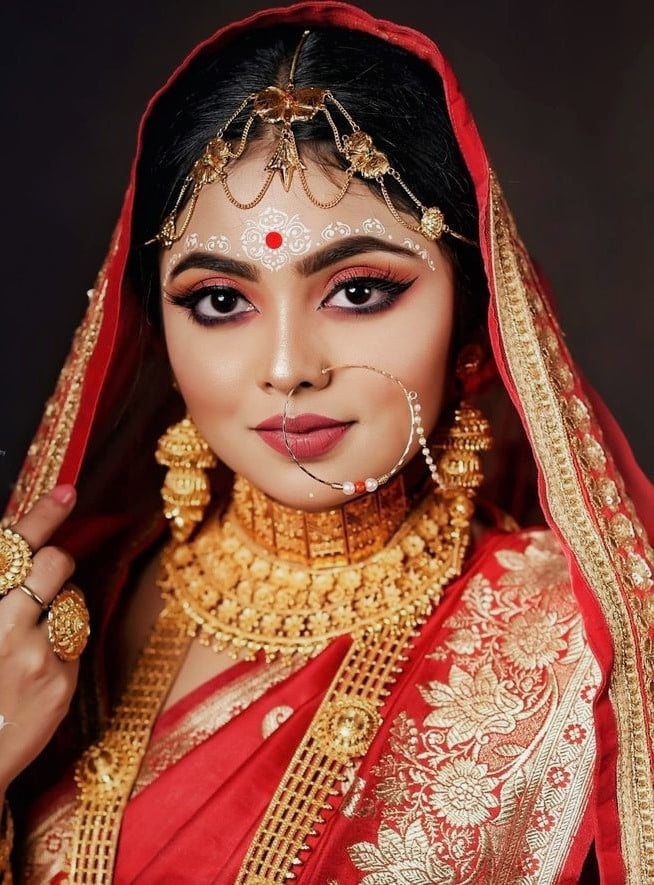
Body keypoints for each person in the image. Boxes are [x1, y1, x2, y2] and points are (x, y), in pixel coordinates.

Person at [1, 2, 652, 882]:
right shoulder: (61, 621)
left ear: (475, 307)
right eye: (221, 300)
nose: (286, 367)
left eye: (358, 291)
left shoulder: (587, 643)